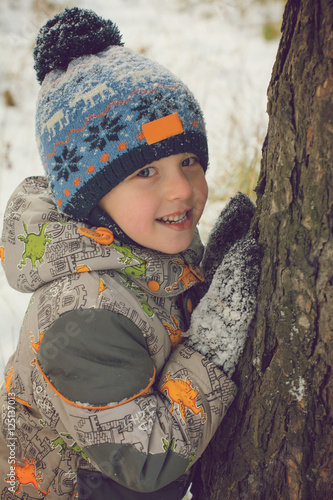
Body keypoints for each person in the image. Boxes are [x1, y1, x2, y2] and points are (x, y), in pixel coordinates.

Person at [0, 8, 261, 499]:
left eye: (189, 160)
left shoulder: (139, 238)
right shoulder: (82, 317)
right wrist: (212, 345)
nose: (181, 189)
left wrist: (200, 284)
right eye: (146, 172)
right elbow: (150, 457)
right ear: (90, 197)